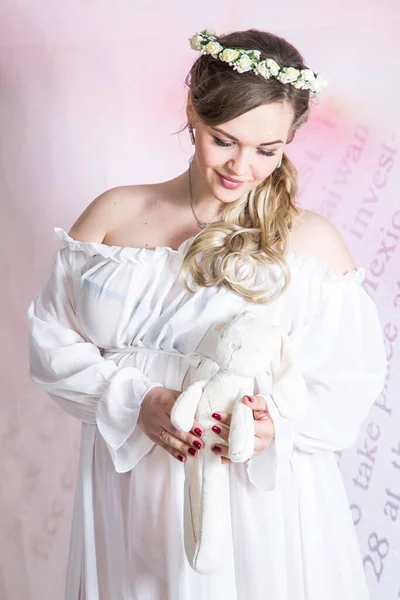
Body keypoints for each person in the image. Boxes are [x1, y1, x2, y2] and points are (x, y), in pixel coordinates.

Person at [27, 27, 387, 600]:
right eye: (224, 140)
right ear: (192, 112)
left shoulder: (313, 246)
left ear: (291, 139)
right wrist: (137, 402)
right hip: (129, 492)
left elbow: (349, 382)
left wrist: (278, 426)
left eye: (267, 151)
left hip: (255, 502)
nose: (241, 167)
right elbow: (51, 344)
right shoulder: (112, 216)